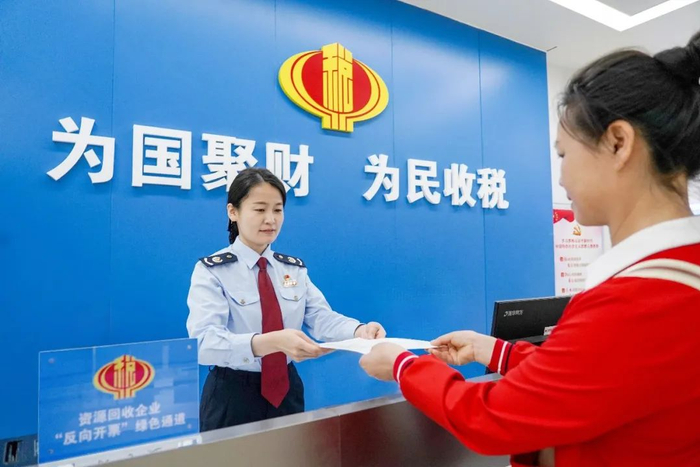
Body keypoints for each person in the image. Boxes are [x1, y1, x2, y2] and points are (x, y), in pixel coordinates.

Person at [359, 31, 700, 467]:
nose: (561, 179)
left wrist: (403, 366)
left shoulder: (638, 300)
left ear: (618, 142)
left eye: (564, 155)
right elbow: (591, 376)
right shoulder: (675, 277)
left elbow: (491, 418)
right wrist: (494, 350)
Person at [187, 167, 385, 431]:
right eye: (260, 209)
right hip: (232, 394)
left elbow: (320, 317)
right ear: (233, 212)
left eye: (277, 210)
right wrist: (270, 342)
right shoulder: (212, 270)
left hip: (286, 391)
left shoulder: (292, 269)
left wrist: (359, 330)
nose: (270, 219)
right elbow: (203, 343)